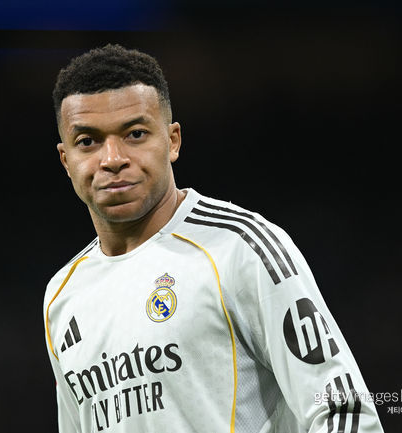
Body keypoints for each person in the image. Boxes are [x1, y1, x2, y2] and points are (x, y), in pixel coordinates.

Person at [43, 44, 384, 433]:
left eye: (135, 134)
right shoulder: (62, 297)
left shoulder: (241, 248)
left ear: (172, 140)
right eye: (88, 141)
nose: (112, 158)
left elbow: (345, 411)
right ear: (66, 160)